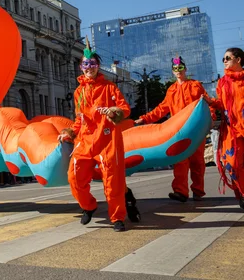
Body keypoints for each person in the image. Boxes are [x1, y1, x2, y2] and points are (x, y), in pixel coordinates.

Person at [59, 38, 131, 232]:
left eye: (92, 63)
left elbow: (125, 109)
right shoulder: (78, 92)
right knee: (74, 177)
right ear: (81, 67)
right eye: (85, 63)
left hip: (107, 139)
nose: (88, 67)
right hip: (85, 139)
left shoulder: (110, 88)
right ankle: (88, 206)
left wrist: (114, 111)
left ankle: (117, 218)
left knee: (112, 181)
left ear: (98, 66)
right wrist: (70, 132)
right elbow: (78, 119)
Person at [134, 56, 211, 202]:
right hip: (179, 131)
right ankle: (180, 192)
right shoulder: (171, 90)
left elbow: (206, 103)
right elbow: (162, 109)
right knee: (180, 161)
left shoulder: (195, 85)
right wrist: (144, 118)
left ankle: (198, 191)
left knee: (197, 162)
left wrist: (210, 121)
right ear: (172, 72)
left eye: (180, 68)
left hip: (196, 130)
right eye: (175, 69)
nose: (178, 71)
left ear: (185, 69)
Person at [208, 47, 244, 210]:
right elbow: (221, 103)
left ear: (238, 60)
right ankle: (242, 193)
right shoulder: (222, 82)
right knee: (231, 163)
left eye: (227, 58)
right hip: (230, 130)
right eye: (223, 59)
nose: (224, 61)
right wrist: (210, 102)